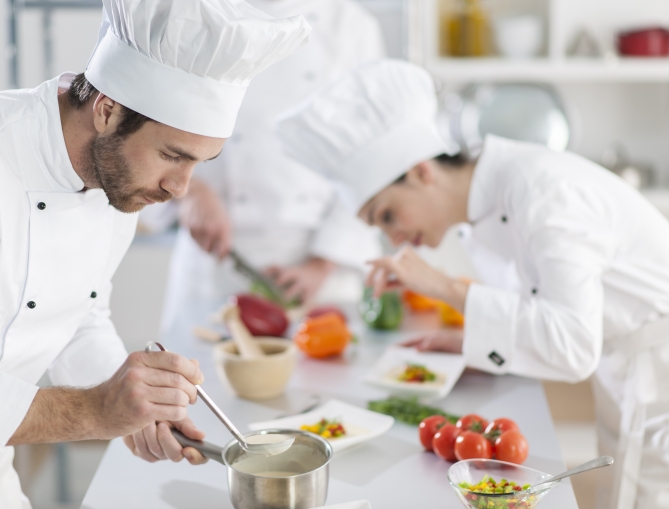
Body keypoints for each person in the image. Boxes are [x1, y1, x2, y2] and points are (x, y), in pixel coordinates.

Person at [0, 0, 310, 506]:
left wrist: (137, 409)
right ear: (107, 110)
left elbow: (79, 315)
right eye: (172, 155)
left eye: (199, 164)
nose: (180, 188)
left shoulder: (117, 175)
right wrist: (96, 411)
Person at [278, 59, 669, 509]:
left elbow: (574, 345)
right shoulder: (486, 201)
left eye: (387, 215)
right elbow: (542, 309)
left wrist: (445, 287)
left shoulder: (543, 192)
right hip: (628, 364)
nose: (394, 238)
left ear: (421, 171)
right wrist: (473, 342)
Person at [155, 0, 384, 330]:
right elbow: (145, 127)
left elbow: (369, 159)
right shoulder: (190, 12)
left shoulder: (352, 26)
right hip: (214, 257)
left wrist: (322, 263)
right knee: (195, 360)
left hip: (321, 267)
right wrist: (190, 191)